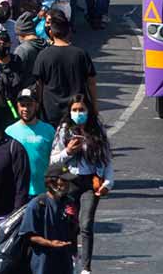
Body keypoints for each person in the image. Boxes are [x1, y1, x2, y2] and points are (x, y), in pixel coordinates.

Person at [50, 94, 112, 274]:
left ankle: (86, 268)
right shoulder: (64, 130)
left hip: (90, 182)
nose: (78, 113)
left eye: (82, 110)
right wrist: (68, 152)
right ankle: (71, 259)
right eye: (75, 110)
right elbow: (53, 161)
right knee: (70, 224)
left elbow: (107, 159)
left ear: (88, 111)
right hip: (69, 181)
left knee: (86, 224)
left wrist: (107, 183)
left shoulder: (98, 129)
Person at [33, 10, 97, 125]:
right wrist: (94, 106)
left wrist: (38, 105)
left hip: (51, 112)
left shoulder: (43, 55)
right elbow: (91, 83)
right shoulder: (81, 54)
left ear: (51, 33)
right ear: (69, 31)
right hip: (77, 110)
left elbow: (39, 85)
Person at [19, 162, 78, 274]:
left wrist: (73, 220)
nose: (67, 185)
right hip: (43, 263)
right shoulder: (37, 204)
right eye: (64, 181)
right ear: (52, 183)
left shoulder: (69, 202)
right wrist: (50, 243)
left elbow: (73, 232)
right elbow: (27, 235)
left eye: (68, 181)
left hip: (64, 261)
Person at [7, 88, 57, 198]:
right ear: (17, 106)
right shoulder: (9, 131)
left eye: (29, 105)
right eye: (22, 105)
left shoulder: (49, 130)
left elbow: (55, 159)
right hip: (17, 192)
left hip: (43, 191)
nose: (25, 109)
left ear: (37, 106)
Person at [14, 11, 48, 77]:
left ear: (21, 33)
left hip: (26, 86)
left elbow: (16, 76)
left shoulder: (22, 50)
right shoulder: (46, 45)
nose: (17, 38)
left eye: (17, 34)